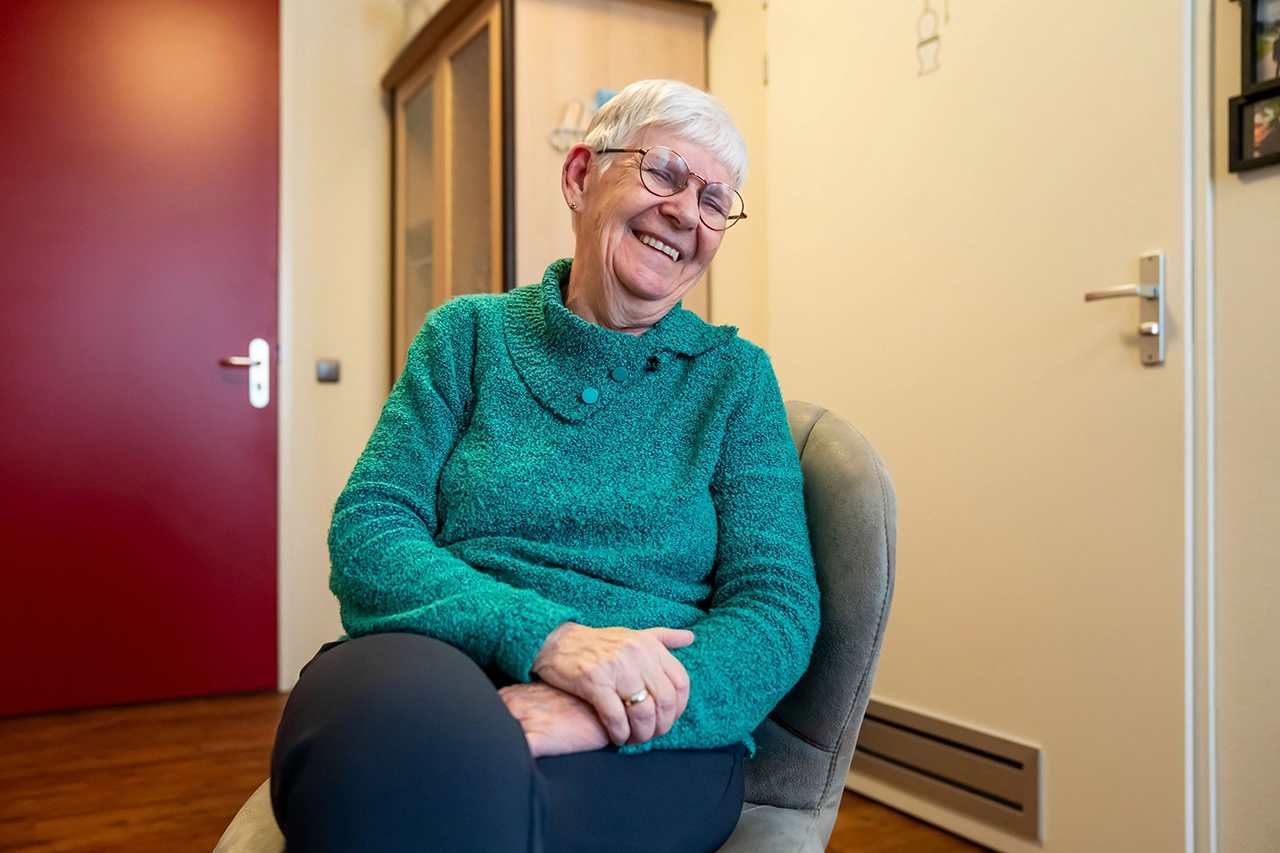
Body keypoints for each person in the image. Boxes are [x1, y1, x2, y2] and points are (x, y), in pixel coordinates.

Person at [269, 79, 820, 853]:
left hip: (646, 719)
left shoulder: (735, 381)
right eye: (663, 172)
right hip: (433, 662)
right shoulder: (465, 337)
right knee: (383, 754)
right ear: (579, 176)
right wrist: (550, 640)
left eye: (715, 200)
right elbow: (369, 529)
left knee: (449, 806)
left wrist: (606, 707)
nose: (687, 212)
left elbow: (778, 607)